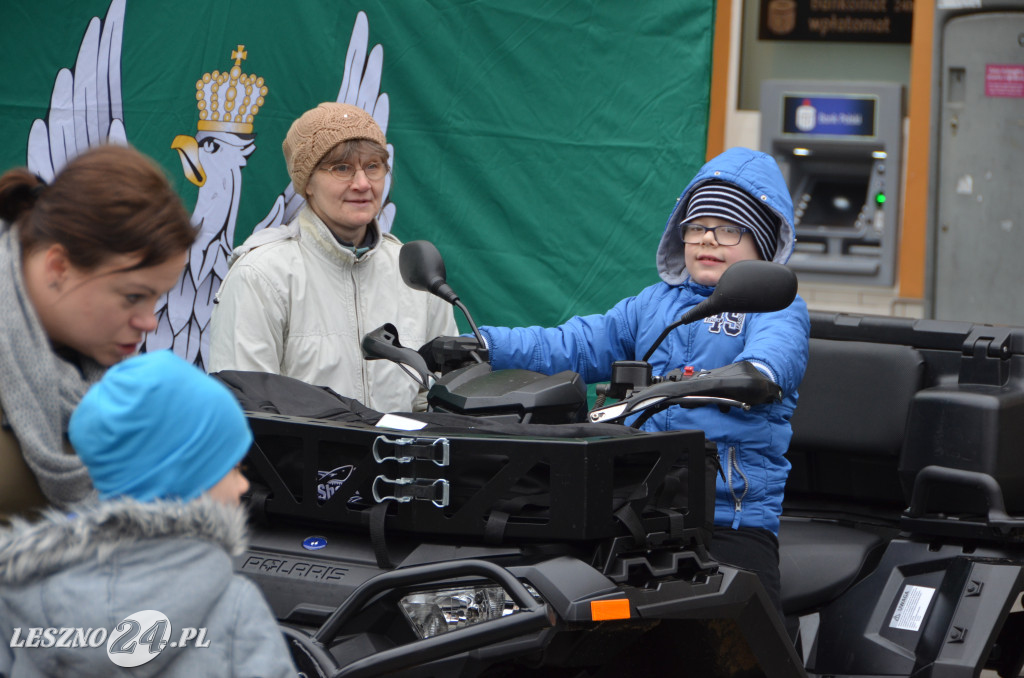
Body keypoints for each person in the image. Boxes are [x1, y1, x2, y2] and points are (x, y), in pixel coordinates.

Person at [472, 147, 810, 615]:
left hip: (730, 517)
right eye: (696, 226)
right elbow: (577, 343)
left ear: (761, 242)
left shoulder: (774, 305)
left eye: (728, 228)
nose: (707, 238)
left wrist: (753, 375)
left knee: (745, 643)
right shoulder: (651, 305)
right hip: (641, 509)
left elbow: (777, 356)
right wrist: (484, 345)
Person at [0, 350, 297, 678]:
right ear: (185, 478)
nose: (243, 485)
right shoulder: (235, 608)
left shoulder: (20, 595)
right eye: (234, 468)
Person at [208, 102, 457, 412]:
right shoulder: (262, 274)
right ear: (307, 183)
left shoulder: (413, 271)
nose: (363, 183)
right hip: (301, 459)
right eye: (342, 168)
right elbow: (243, 410)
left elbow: (439, 400)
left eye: (373, 166)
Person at [0, 144, 196, 518]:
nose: (149, 321)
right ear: (59, 267)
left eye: (156, 298)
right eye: (133, 296)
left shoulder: (100, 372)